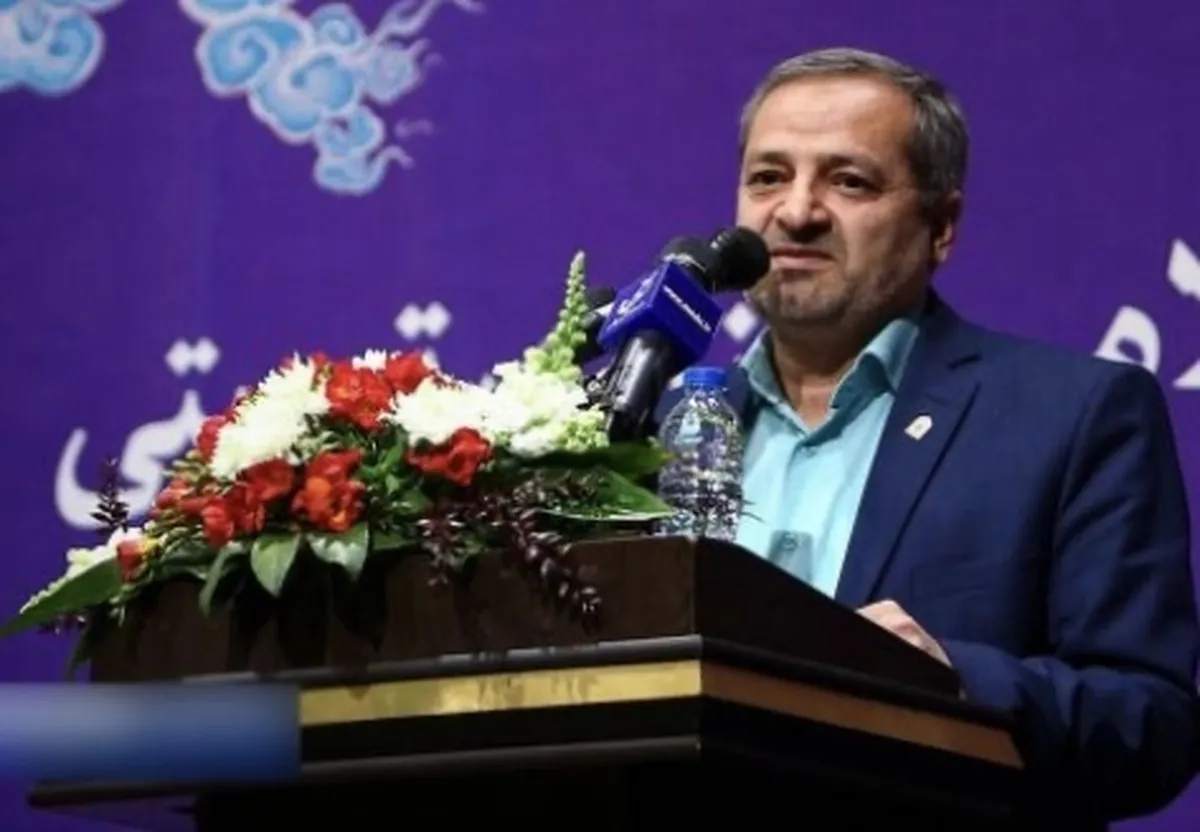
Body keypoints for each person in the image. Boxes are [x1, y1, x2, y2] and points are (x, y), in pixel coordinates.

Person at [715, 47, 1198, 824]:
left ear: (940, 226)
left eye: (849, 182)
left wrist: (950, 679)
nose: (796, 212)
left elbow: (1151, 723)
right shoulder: (655, 429)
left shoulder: (1073, 415)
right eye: (768, 177)